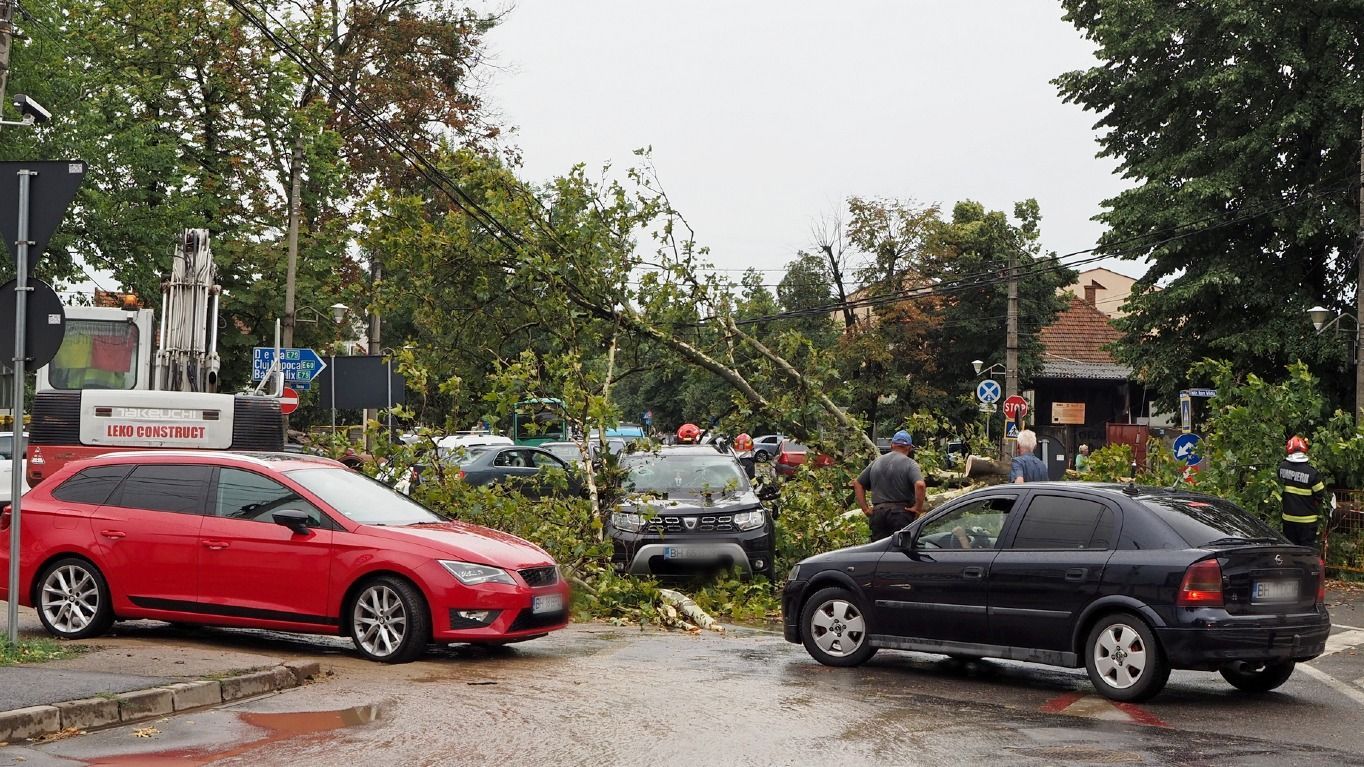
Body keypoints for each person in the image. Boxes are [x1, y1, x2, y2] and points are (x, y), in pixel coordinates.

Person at [854, 430, 927, 542]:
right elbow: (920, 485)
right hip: (901, 514)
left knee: (879, 551)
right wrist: (917, 508)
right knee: (901, 552)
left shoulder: (876, 462)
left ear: (892, 445)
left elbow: (858, 483)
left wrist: (865, 509)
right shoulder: (910, 464)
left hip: (878, 514)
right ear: (909, 448)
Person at [1279, 435, 1327, 548]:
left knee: (1291, 550)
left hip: (1288, 519)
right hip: (1307, 521)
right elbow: (1320, 493)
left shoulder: (1282, 468)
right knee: (1306, 552)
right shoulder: (1312, 473)